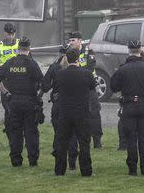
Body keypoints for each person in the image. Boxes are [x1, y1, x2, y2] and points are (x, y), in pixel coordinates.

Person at [110, 40, 144, 176]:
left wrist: (124, 88)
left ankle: (132, 169)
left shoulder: (122, 69)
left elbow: (113, 86)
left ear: (128, 51)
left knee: (131, 139)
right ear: (140, 50)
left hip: (128, 105)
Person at [0, 37, 44, 167]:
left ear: (18, 49)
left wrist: (5, 92)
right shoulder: (32, 64)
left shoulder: (10, 62)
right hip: (30, 101)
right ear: (29, 49)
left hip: (14, 101)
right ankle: (33, 161)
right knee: (31, 132)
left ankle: (16, 161)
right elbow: (43, 83)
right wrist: (38, 96)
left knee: (15, 132)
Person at [53, 48, 96, 177]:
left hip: (65, 112)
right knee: (84, 142)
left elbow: (56, 88)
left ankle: (59, 170)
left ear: (67, 58)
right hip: (81, 113)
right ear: (78, 59)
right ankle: (86, 171)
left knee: (62, 142)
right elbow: (92, 87)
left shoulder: (60, 74)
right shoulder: (87, 74)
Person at [42, 44, 80, 170]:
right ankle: (72, 162)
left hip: (58, 105)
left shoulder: (54, 68)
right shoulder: (77, 68)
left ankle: (59, 162)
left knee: (59, 134)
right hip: (74, 105)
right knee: (73, 134)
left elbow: (45, 86)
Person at [68, 31, 103, 148]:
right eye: (70, 40)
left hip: (89, 87)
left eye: (73, 40)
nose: (71, 42)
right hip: (74, 88)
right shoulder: (68, 52)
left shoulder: (88, 52)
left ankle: (97, 141)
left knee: (94, 113)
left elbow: (90, 68)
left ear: (80, 41)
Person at [0, 22, 19, 140]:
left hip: (19, 80)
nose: (10, 37)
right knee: (9, 109)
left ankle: (19, 133)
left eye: (12, 34)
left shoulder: (20, 44)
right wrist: (6, 67)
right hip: (5, 81)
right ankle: (10, 134)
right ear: (4, 33)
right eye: (8, 34)